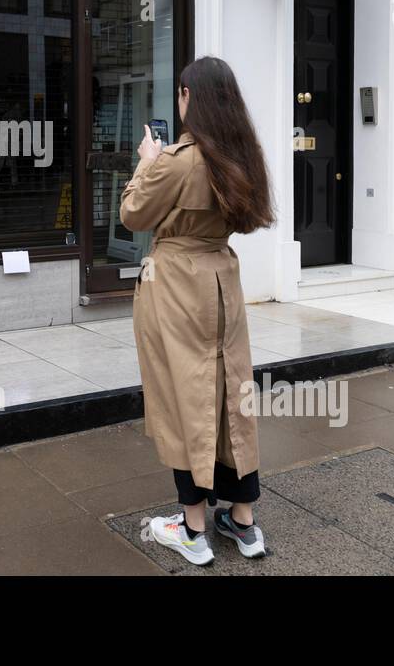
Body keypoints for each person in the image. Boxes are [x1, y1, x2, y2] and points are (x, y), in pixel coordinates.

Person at [119, 56, 275, 565]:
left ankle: (192, 530)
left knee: (183, 398)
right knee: (233, 395)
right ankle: (244, 522)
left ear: (190, 97)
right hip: (222, 279)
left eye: (182, 94)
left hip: (177, 283)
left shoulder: (179, 160)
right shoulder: (242, 155)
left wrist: (146, 161)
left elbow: (132, 215)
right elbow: (249, 220)